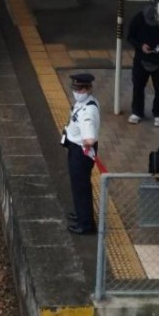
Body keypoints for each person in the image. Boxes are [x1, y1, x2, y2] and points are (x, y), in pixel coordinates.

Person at [62, 72, 100, 235]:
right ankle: (80, 214)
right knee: (77, 185)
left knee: (81, 186)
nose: (77, 92)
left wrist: (84, 141)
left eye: (80, 89)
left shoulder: (88, 112)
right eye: (76, 88)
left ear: (88, 89)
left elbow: (89, 138)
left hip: (81, 151)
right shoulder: (85, 104)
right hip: (76, 149)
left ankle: (86, 224)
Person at [127, 2, 159, 127]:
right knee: (138, 86)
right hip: (141, 59)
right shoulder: (138, 19)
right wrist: (140, 46)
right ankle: (137, 112)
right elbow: (130, 37)